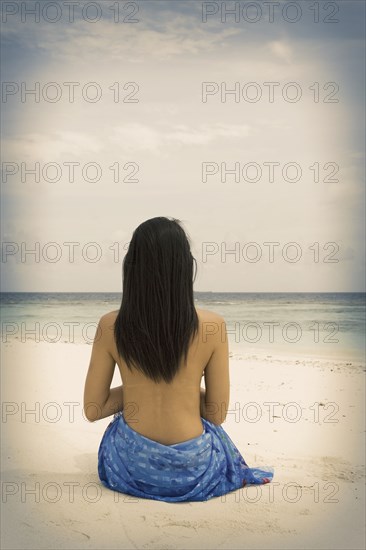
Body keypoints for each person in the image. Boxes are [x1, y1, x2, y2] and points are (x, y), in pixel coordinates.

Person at [84, 216, 273, 502]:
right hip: (193, 469)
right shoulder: (213, 326)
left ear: (131, 267)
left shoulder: (111, 326)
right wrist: (181, 389)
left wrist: (140, 389)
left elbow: (93, 408)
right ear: (185, 267)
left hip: (131, 468)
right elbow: (216, 413)